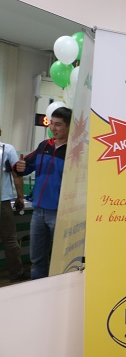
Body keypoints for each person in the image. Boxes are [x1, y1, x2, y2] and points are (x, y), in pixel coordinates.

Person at [14, 106, 72, 280]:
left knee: (63, 259)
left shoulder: (75, 151)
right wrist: (20, 167)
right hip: (38, 212)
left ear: (69, 126)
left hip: (61, 213)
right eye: (51, 123)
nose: (53, 128)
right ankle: (38, 289)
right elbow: (24, 167)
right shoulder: (44, 146)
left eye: (58, 124)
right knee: (37, 259)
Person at [0, 127, 27, 282]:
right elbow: (17, 176)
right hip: (2, 203)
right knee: (10, 240)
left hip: (3, 201)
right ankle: (16, 274)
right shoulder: (7, 149)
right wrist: (20, 197)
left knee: (10, 241)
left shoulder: (7, 149)